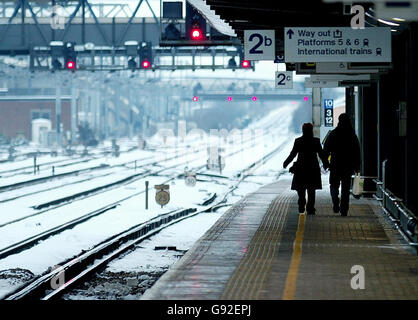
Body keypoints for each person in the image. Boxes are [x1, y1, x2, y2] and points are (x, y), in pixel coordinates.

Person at [283, 123, 329, 215]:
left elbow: (293, 154)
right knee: (311, 190)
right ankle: (310, 208)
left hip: (301, 169)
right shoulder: (316, 141)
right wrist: (326, 164)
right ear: (311, 130)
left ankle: (301, 202)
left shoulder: (298, 141)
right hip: (313, 169)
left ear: (303, 130)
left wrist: (286, 163)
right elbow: (321, 154)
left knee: (301, 188)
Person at [323, 113, 361, 216]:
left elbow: (325, 149)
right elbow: (357, 151)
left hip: (335, 165)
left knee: (334, 185)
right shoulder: (352, 135)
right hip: (347, 166)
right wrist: (357, 166)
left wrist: (326, 163)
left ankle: (335, 200)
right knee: (345, 189)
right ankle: (344, 209)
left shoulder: (333, 133)